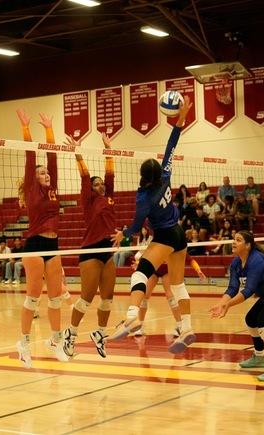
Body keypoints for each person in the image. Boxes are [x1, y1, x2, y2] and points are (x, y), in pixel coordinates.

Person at [110, 95, 196, 355]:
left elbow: (136, 228)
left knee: (139, 273)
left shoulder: (144, 198)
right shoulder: (166, 175)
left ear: (141, 177)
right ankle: (188, 328)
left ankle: (132, 317)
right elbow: (172, 144)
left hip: (166, 236)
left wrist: (122, 233)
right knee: (179, 285)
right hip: (179, 234)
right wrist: (181, 117)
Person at [15, 108, 68, 368]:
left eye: (47, 172)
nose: (46, 173)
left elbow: (53, 156)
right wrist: (27, 128)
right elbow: (31, 156)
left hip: (53, 245)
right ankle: (24, 343)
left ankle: (55, 340)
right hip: (35, 245)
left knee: (56, 298)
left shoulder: (53, 189)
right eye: (42, 173)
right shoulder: (31, 188)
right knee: (33, 298)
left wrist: (49, 129)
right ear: (33, 179)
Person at [209, 231, 264, 381]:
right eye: (234, 239)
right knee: (251, 319)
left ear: (247, 245)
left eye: (238, 240)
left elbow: (249, 290)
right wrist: (221, 303)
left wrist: (228, 305)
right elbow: (233, 288)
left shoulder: (256, 260)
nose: (233, 242)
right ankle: (259, 357)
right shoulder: (236, 263)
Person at [61, 131, 116, 358]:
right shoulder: (88, 199)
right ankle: (71, 334)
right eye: (97, 184)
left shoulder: (109, 195)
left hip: (107, 250)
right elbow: (85, 177)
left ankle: (100, 334)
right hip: (91, 250)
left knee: (108, 298)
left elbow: (110, 173)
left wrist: (109, 149)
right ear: (91, 189)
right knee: (87, 298)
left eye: (102, 183)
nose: (101, 185)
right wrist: (78, 152)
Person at [134, 255, 206, 338]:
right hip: (153, 271)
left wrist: (198, 270)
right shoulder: (157, 245)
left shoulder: (176, 247)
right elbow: (143, 257)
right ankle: (140, 325)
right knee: (144, 296)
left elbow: (191, 260)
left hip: (168, 272)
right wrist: (137, 263)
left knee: (171, 297)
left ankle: (180, 326)